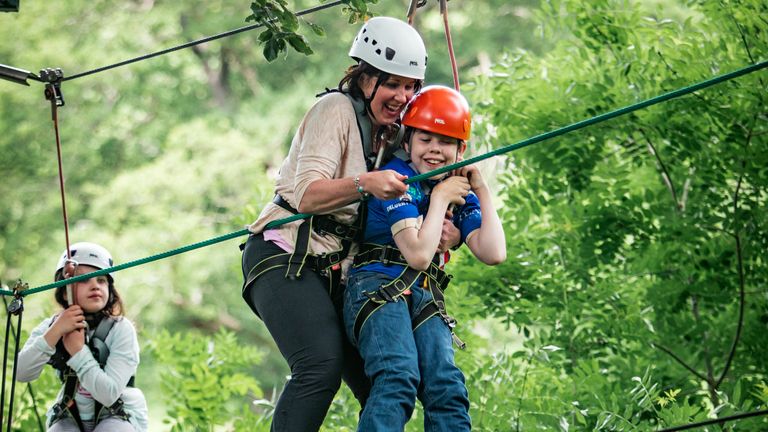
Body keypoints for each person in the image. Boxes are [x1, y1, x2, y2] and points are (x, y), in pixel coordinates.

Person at [240, 16, 460, 432]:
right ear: (364, 78)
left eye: (409, 86)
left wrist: (451, 228)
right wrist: (366, 183)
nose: (401, 96)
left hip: (344, 271)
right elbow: (306, 194)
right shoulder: (335, 110)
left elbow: (427, 185)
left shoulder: (394, 135)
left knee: (388, 379)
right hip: (286, 253)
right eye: (391, 84)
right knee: (320, 366)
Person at [343, 85, 507, 431]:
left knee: (446, 386)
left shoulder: (454, 187)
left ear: (460, 150)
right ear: (408, 143)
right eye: (426, 139)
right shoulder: (397, 181)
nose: (435, 149)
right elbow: (418, 254)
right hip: (377, 285)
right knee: (398, 375)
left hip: (424, 293)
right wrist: (440, 199)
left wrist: (481, 189)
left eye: (446, 142)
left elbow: (493, 253)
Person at [17, 242, 149, 432]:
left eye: (102, 280)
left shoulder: (121, 329)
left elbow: (109, 394)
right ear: (64, 290)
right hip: (71, 413)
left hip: (119, 415)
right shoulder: (51, 326)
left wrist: (78, 351)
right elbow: (22, 373)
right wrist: (55, 332)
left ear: (110, 290)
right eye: (84, 280)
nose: (95, 285)